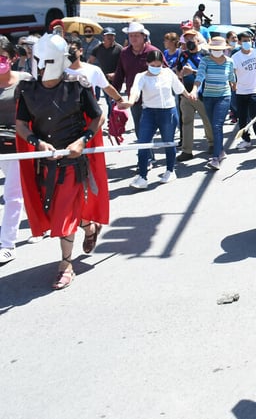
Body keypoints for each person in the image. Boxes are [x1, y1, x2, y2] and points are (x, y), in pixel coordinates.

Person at [15, 34, 109, 289]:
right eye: (39, 62)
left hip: (72, 162)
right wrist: (36, 142)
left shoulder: (77, 85)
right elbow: (21, 124)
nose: (42, 67)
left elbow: (96, 117)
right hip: (45, 163)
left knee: (64, 213)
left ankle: (65, 264)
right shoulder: (28, 89)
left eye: (47, 62)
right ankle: (89, 227)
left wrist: (82, 141)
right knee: (57, 211)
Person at [120, 50, 193, 188]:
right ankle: (142, 176)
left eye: (158, 64)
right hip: (148, 112)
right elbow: (135, 91)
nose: (156, 67)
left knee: (168, 142)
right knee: (143, 144)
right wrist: (130, 102)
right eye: (153, 64)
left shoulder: (168, 73)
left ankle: (170, 171)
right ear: (147, 63)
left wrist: (189, 96)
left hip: (168, 112)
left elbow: (179, 88)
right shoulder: (141, 76)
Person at [0, 36, 33, 264]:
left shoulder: (25, 80)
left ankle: (7, 244)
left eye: (2, 56)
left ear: (12, 57)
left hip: (16, 145)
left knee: (13, 196)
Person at [194, 36, 236, 170]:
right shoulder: (205, 61)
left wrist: (235, 86)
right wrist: (194, 89)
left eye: (219, 49)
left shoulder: (229, 61)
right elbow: (200, 76)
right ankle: (221, 150)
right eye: (214, 49)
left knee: (217, 125)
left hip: (224, 96)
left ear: (224, 50)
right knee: (214, 126)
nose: (217, 51)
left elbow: (231, 78)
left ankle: (216, 158)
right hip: (208, 97)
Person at [112, 22, 160, 132]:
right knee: (139, 129)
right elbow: (119, 74)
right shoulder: (124, 53)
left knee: (152, 129)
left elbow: (165, 72)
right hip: (134, 99)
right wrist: (114, 94)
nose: (133, 38)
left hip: (153, 97)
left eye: (136, 35)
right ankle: (144, 149)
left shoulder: (153, 51)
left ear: (144, 36)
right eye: (131, 35)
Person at [175, 33, 213, 161]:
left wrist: (193, 72)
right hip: (186, 93)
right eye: (186, 39)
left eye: (192, 38)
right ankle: (187, 150)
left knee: (206, 119)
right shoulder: (183, 55)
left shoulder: (205, 54)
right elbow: (178, 71)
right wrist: (181, 73)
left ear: (198, 39)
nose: (189, 41)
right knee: (186, 120)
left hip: (203, 93)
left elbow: (210, 72)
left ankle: (213, 144)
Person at [231, 31, 256, 150]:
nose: (247, 42)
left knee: (254, 115)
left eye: (249, 40)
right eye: (244, 40)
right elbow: (232, 73)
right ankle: (245, 139)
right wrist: (232, 84)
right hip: (241, 90)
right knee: (242, 117)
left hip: (254, 89)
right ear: (240, 42)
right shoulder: (235, 57)